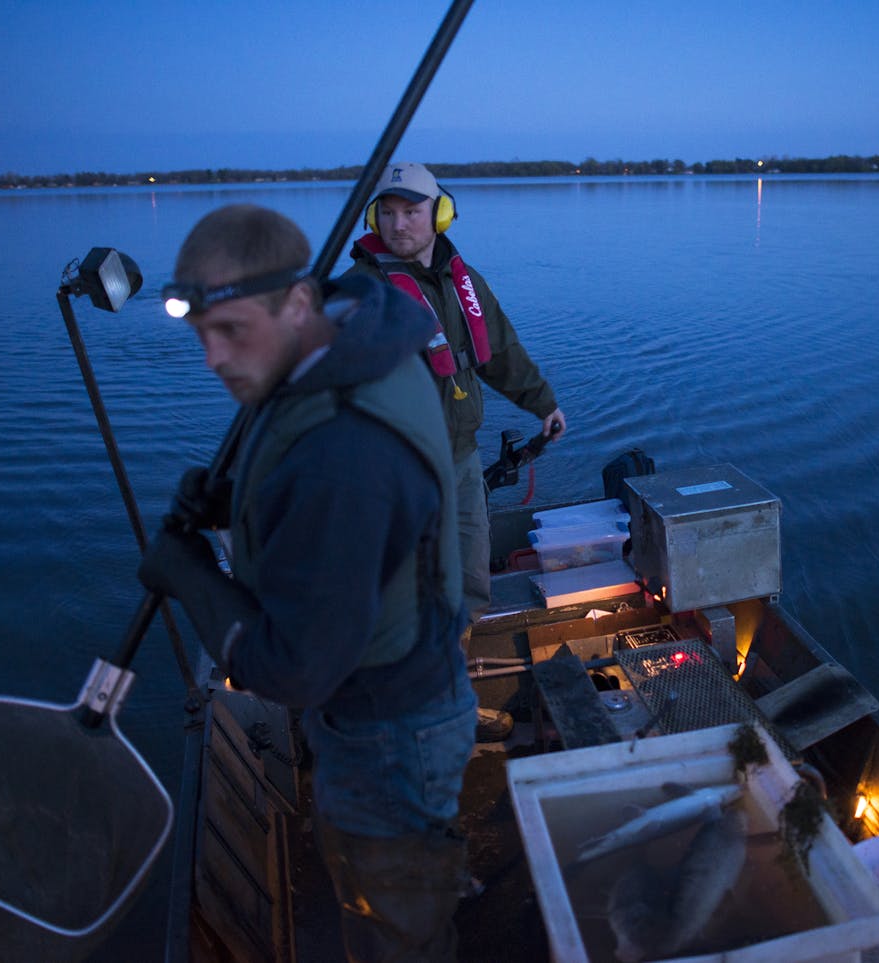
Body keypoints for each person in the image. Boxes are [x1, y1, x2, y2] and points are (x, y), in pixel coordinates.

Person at [137, 203, 477, 961]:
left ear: (298, 303)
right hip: (404, 694)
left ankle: (423, 900)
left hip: (389, 728)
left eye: (231, 330)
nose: (213, 358)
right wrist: (234, 504)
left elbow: (293, 667)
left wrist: (190, 574)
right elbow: (319, 498)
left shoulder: (343, 455)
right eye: (201, 334)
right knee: (400, 878)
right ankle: (429, 873)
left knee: (397, 929)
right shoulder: (353, 334)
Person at [347, 162, 566, 740]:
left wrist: (540, 401)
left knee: (469, 585)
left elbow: (499, 350)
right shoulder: (364, 291)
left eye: (411, 211)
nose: (398, 224)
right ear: (374, 217)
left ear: (438, 214)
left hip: (461, 458)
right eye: (387, 213)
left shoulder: (461, 280)